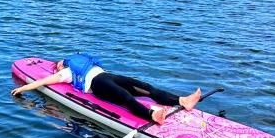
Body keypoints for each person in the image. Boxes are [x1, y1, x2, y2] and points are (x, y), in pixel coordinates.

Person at [11, 53, 201, 124]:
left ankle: (181, 100)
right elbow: (42, 82)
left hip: (107, 76)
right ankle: (150, 116)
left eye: (60, 61)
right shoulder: (66, 72)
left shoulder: (80, 62)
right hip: (97, 85)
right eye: (57, 64)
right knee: (125, 97)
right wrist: (23, 89)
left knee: (144, 87)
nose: (59, 63)